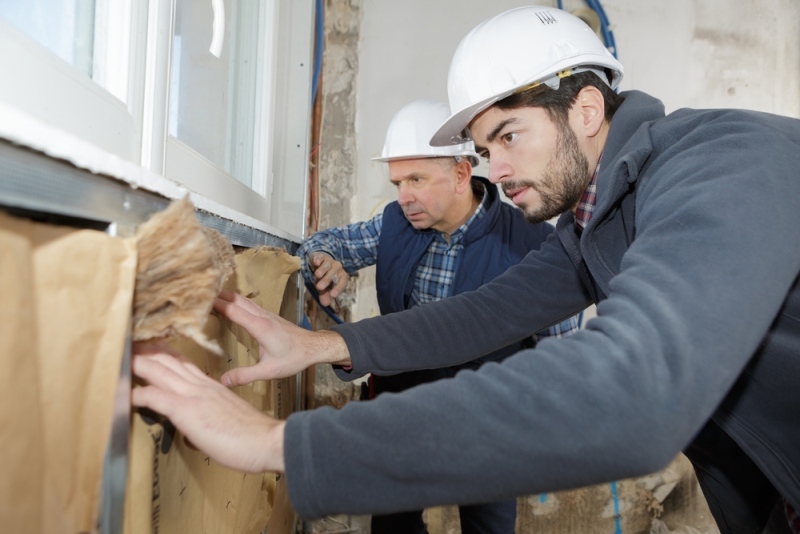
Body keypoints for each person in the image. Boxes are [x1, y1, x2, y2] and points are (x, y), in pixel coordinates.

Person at [132, 6, 800, 534]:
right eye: (485, 149)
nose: (496, 170)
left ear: (587, 110)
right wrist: (330, 343)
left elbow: (633, 390)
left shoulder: (723, 161)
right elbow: (485, 314)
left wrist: (284, 444)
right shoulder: (596, 223)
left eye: (509, 136)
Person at [294, 99, 578, 534]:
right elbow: (323, 243)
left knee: (489, 526)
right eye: (397, 183)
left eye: (416, 180)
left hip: (488, 421)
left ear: (462, 174)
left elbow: (561, 356)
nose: (404, 197)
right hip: (403, 409)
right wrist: (322, 258)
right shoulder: (394, 224)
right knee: (393, 525)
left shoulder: (533, 242)